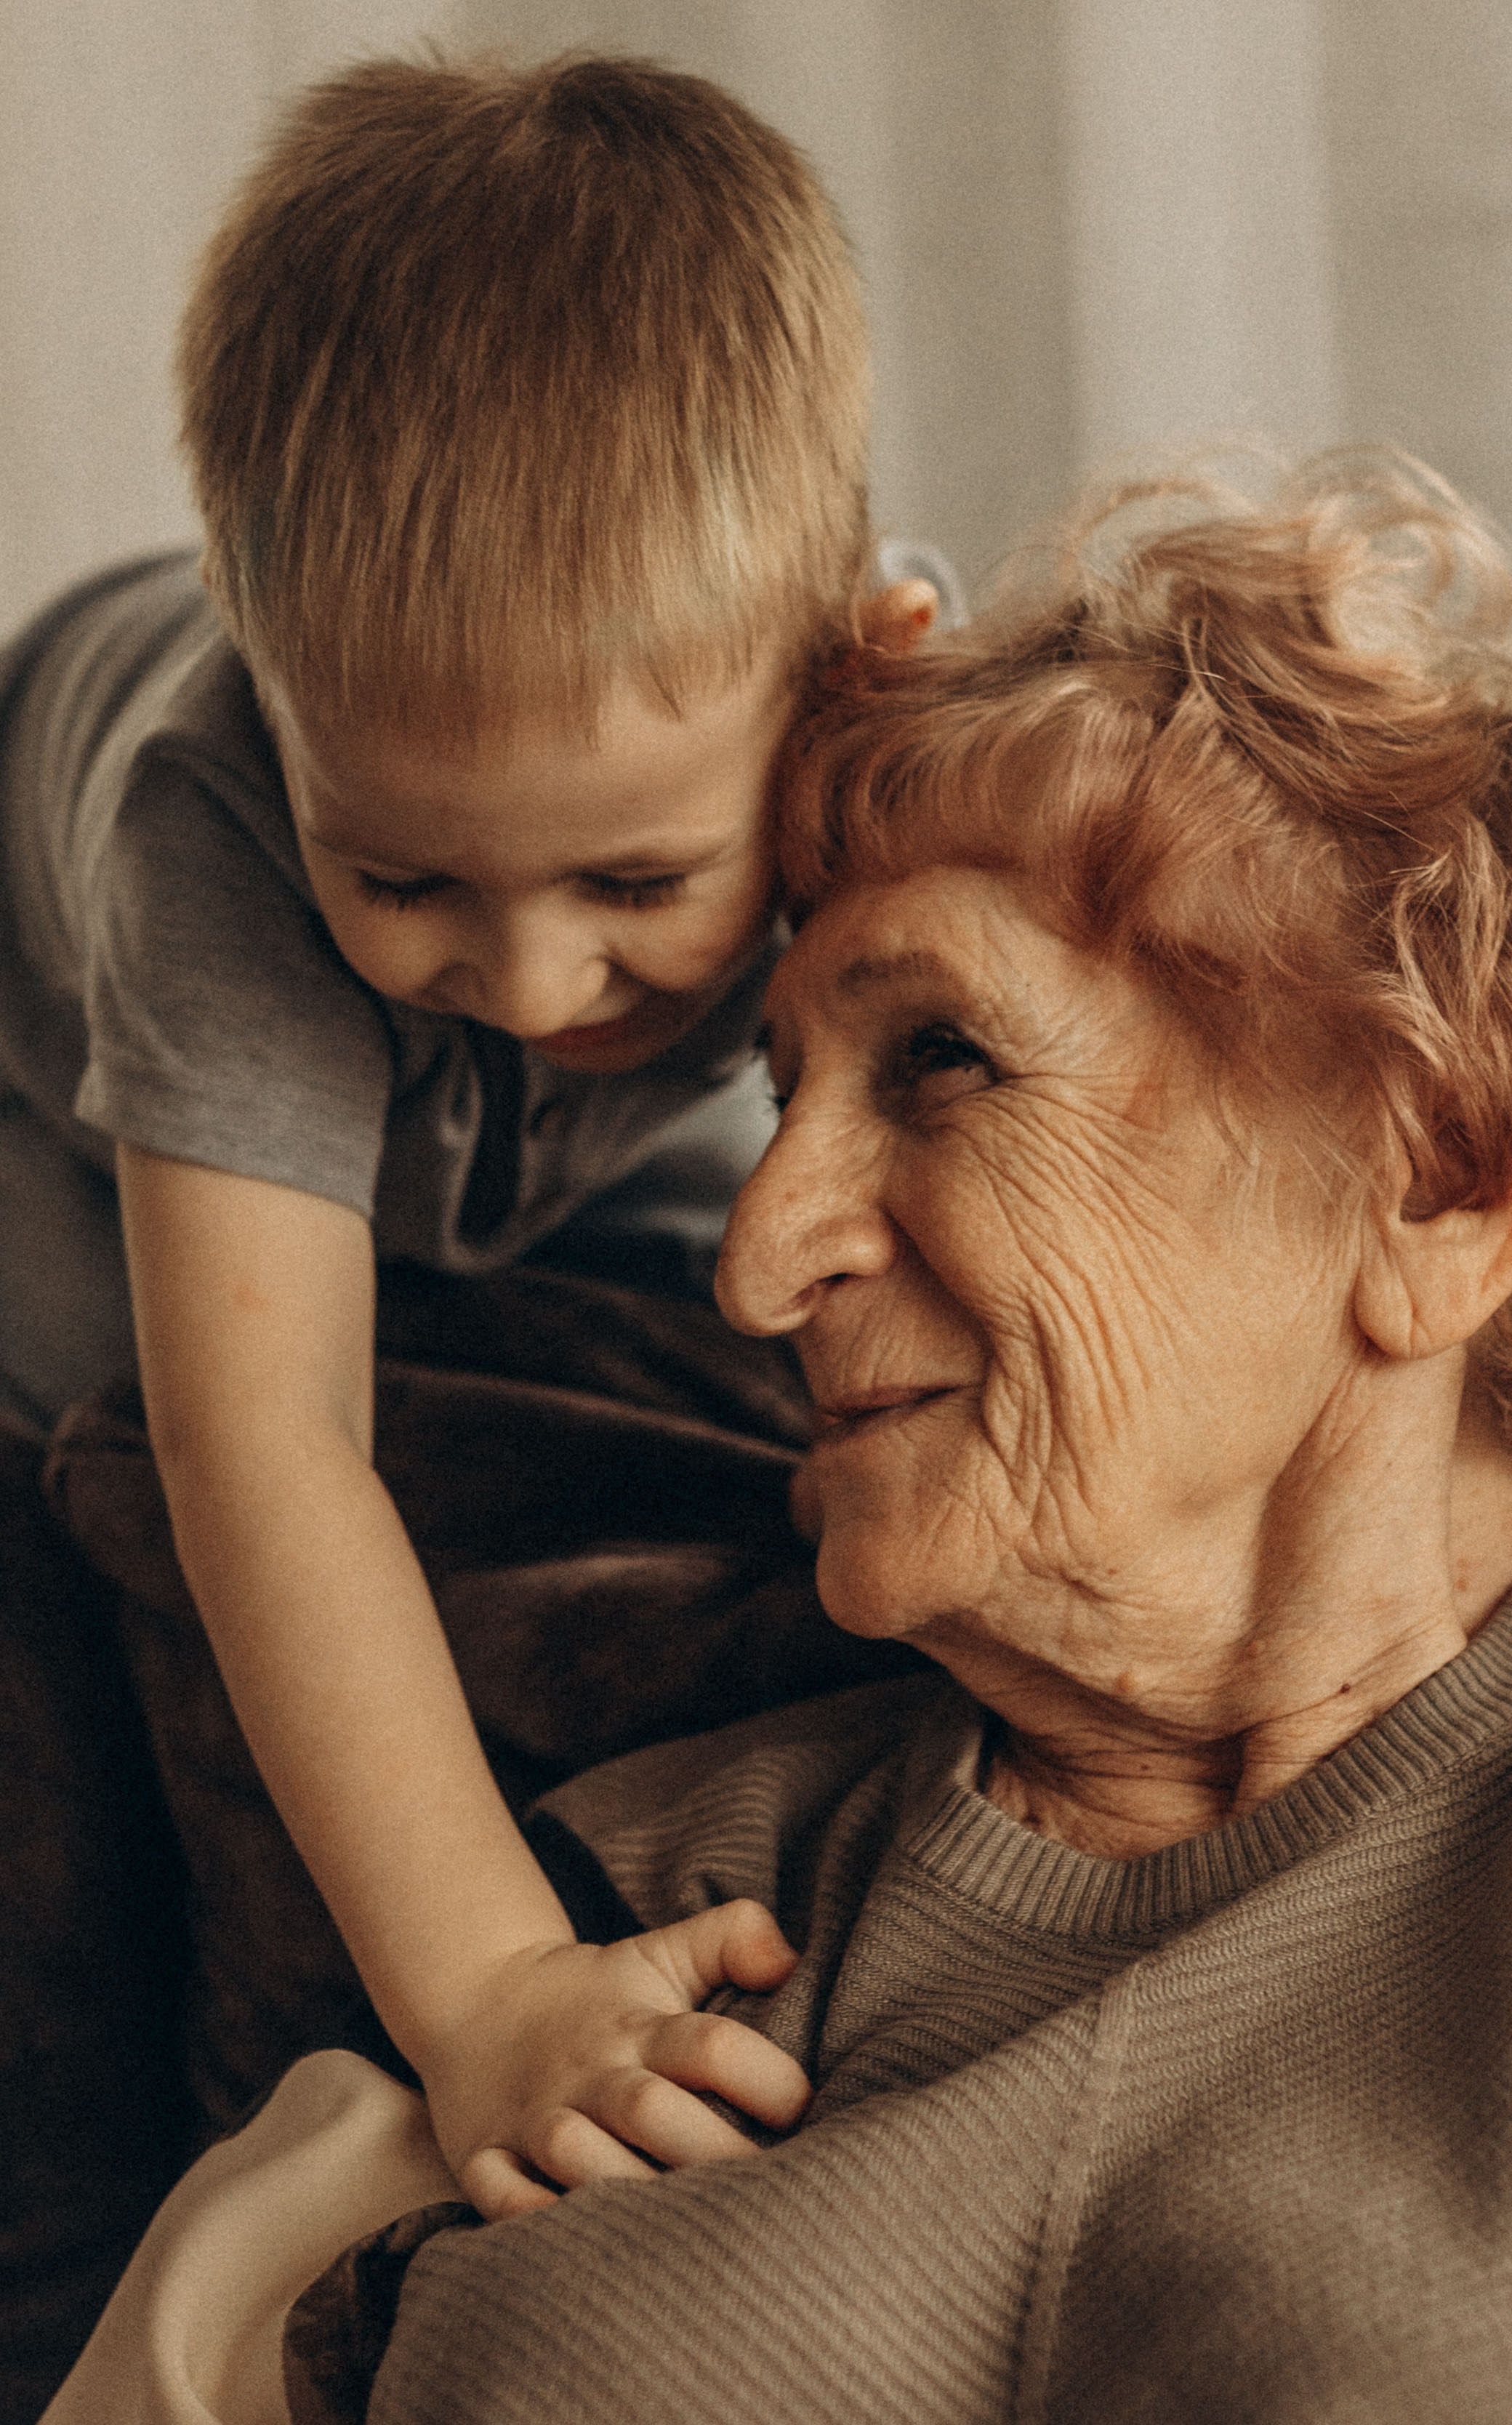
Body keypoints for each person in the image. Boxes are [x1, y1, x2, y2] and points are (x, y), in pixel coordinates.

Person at [49, 446, 1512, 2425]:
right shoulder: (598, 1936)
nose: (756, 1257)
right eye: (777, 1095)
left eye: (943, 1057)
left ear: (1442, 1191)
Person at [0, 53, 946, 2224]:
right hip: (51, 1125)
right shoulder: (215, 838)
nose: (528, 991)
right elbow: (272, 1451)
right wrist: (495, 1986)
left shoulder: (902, 735)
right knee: (100, 1496)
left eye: (633, 887)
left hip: (546, 1196)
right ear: (274, 700)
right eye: (412, 879)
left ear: (854, 686)